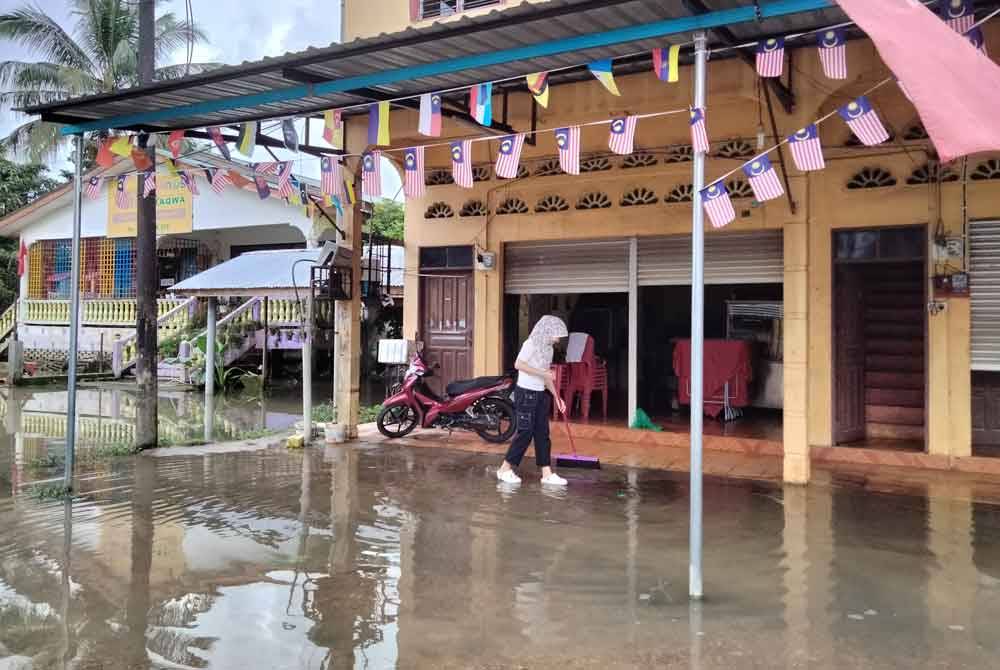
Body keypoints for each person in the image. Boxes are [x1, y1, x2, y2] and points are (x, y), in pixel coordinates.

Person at [497, 315, 569, 486]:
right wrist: (543, 373)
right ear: (547, 331)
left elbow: (546, 377)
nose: (558, 339)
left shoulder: (548, 349)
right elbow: (519, 364)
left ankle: (546, 473)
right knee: (525, 432)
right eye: (556, 335)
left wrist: (557, 397)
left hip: (540, 394)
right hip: (525, 393)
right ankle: (504, 469)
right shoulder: (530, 344)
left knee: (543, 433)